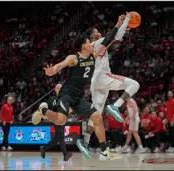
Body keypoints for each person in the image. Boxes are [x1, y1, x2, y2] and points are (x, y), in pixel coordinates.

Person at [32, 14, 125, 160]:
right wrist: (53, 71)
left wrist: (118, 25)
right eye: (89, 43)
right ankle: (43, 110)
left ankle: (104, 151)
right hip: (66, 94)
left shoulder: (93, 55)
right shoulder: (74, 58)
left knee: (97, 118)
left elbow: (107, 40)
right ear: (83, 45)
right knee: (61, 120)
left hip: (79, 97)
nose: (91, 45)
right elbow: (60, 65)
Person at [82, 12, 140, 148]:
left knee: (96, 113)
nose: (99, 32)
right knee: (134, 84)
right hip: (102, 76)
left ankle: (85, 141)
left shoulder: (90, 48)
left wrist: (122, 26)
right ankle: (116, 105)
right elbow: (114, 36)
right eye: (96, 31)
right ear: (92, 36)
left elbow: (116, 36)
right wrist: (125, 20)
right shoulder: (97, 42)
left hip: (95, 82)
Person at [40, 83, 72, 161]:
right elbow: (45, 107)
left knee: (57, 138)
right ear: (55, 89)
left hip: (63, 120)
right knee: (60, 136)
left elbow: (70, 109)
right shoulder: (52, 99)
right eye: (57, 88)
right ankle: (65, 154)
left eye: (60, 88)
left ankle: (44, 148)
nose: (59, 89)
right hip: (56, 120)